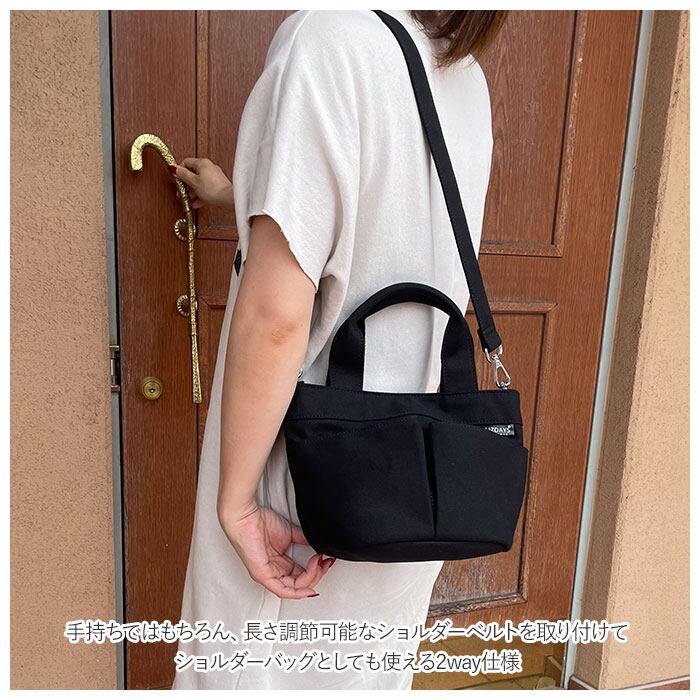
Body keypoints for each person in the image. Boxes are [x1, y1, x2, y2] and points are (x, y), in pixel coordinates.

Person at [169, 9, 506, 690]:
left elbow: (277, 317)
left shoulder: (328, 40)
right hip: (414, 481)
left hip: (305, 479)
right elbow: (387, 218)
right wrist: (239, 194)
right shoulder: (462, 74)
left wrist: (237, 503)